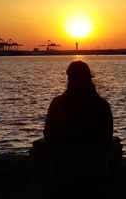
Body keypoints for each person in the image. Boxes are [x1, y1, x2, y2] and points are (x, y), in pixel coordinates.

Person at [44, 60, 113, 198]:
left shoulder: (58, 104)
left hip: (63, 172)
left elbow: (48, 134)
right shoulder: (102, 105)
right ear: (89, 78)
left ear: (69, 79)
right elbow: (107, 137)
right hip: (93, 173)